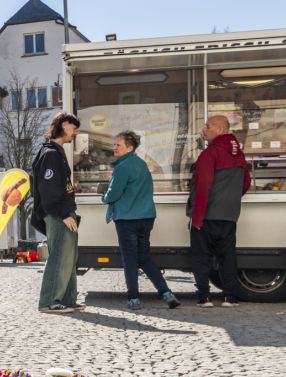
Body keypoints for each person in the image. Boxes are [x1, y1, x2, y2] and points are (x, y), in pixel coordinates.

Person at [101, 131, 180, 310]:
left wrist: (103, 197)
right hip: (146, 217)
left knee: (130, 259)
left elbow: (113, 193)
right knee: (144, 257)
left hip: (128, 218)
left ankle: (133, 298)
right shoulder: (142, 164)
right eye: (114, 144)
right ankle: (167, 293)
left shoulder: (122, 167)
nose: (114, 148)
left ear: (130, 147)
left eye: (118, 145)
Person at [188, 115, 251, 308]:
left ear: (220, 130)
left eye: (208, 126)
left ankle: (204, 297)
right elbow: (246, 183)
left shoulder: (210, 153)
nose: (204, 130)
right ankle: (230, 297)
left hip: (206, 216)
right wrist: (229, 200)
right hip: (228, 216)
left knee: (202, 257)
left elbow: (203, 186)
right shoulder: (239, 155)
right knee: (227, 257)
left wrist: (197, 218)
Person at [33, 112, 83, 314]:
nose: (75, 133)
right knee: (59, 258)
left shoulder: (55, 152)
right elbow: (48, 189)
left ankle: (67, 299)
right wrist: (64, 214)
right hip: (59, 214)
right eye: (73, 128)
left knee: (69, 258)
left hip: (63, 212)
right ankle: (49, 302)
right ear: (64, 125)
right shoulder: (51, 154)